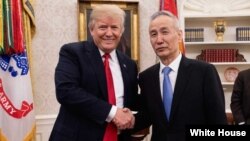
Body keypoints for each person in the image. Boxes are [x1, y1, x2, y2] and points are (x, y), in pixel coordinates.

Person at [133, 11, 227, 141]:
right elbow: (147, 116)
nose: (159, 40)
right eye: (153, 34)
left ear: (179, 35)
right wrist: (117, 117)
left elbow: (218, 121)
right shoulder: (146, 77)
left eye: (165, 32)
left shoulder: (204, 72)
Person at [49, 4, 138, 141]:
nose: (109, 33)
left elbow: (131, 102)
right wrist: (112, 113)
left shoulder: (130, 65)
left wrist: (131, 116)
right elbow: (66, 91)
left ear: (121, 31)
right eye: (103, 27)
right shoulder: (73, 52)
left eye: (114, 27)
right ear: (92, 30)